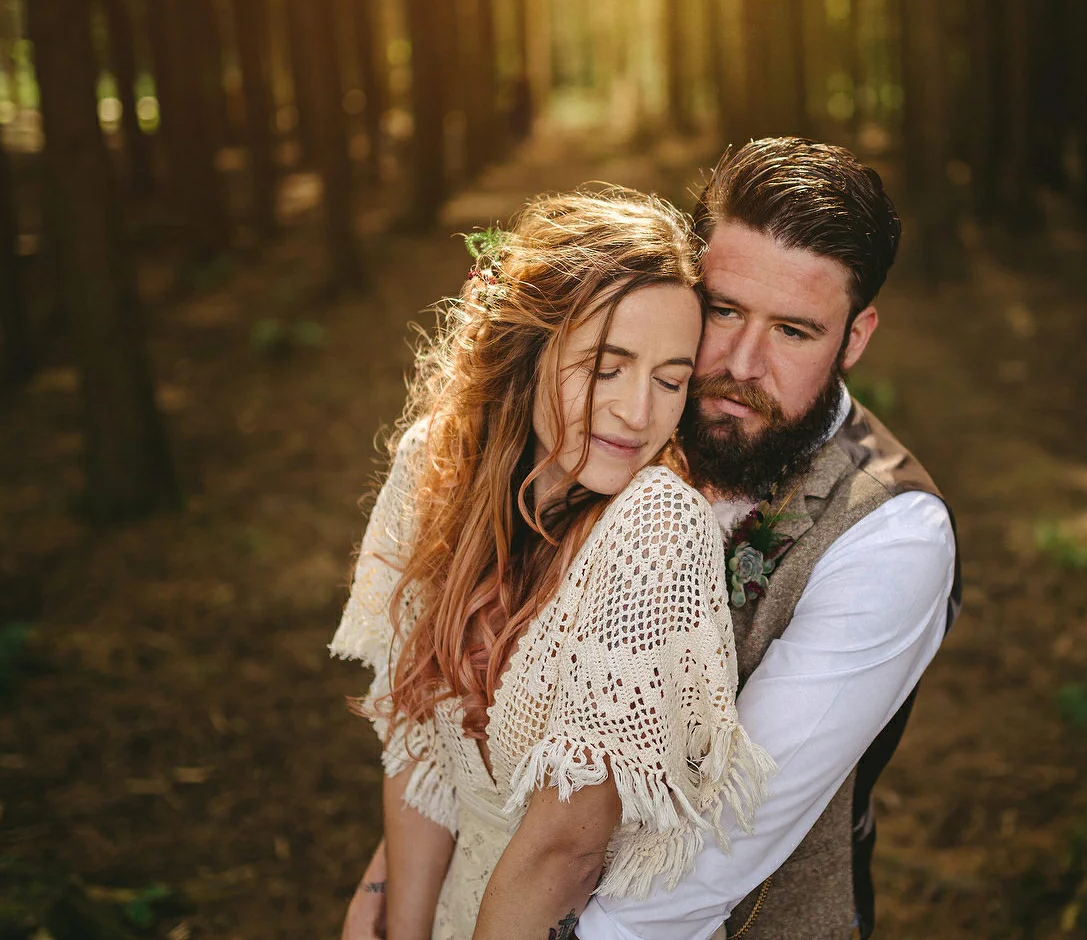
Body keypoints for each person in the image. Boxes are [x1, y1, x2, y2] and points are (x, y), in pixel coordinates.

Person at [344, 138, 960, 940]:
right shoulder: (613, 443)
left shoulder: (890, 538)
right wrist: (391, 906)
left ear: (856, 337)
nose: (739, 363)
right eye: (726, 311)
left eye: (795, 332)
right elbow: (455, 724)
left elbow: (706, 863)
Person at [330, 189, 776, 940]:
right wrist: (400, 922)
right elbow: (417, 744)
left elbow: (567, 852)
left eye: (670, 380)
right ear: (532, 347)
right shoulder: (431, 470)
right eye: (606, 367)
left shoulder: (656, 528)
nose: (638, 411)